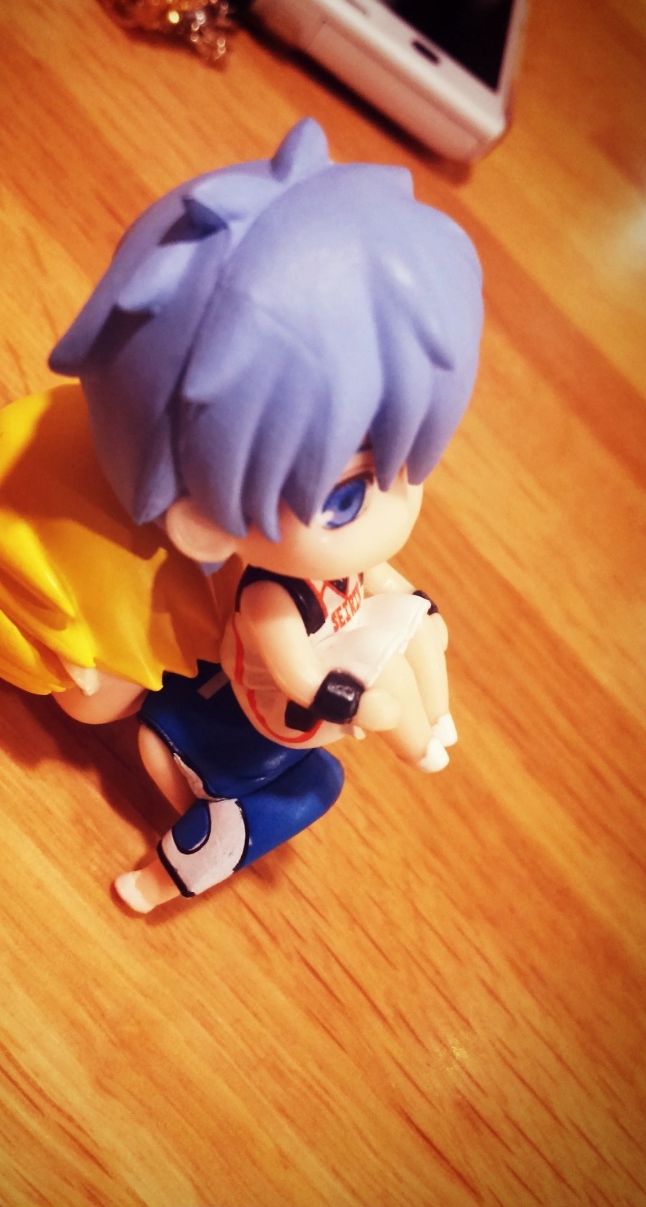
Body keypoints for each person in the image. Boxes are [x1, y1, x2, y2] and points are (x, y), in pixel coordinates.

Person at [47, 118, 484, 909]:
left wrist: (419, 620)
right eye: (347, 496)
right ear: (204, 523)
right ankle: (157, 882)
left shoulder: (333, 563)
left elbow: (389, 582)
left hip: (291, 723)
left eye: (410, 462)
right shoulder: (269, 598)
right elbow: (298, 672)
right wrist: (360, 700)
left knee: (416, 645)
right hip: (238, 726)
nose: (397, 512)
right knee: (272, 797)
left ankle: (433, 737)